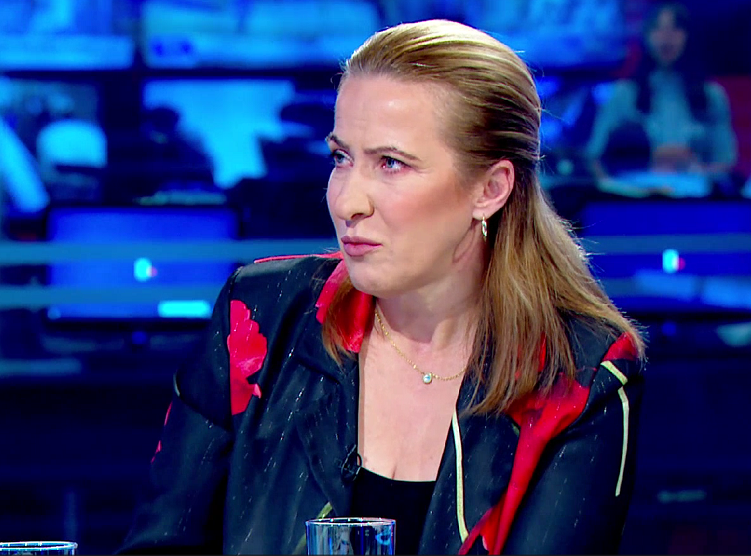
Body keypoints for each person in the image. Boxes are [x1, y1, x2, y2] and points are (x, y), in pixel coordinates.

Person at [119, 19, 645, 555]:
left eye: (391, 164)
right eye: (341, 158)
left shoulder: (580, 374)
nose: (348, 201)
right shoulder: (260, 319)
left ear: (489, 189)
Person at [586, 1, 738, 198]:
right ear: (646, 36)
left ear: (689, 35)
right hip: (637, 200)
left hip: (695, 200)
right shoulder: (623, 94)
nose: (666, 37)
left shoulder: (712, 96)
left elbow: (726, 162)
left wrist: (694, 167)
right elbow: (596, 157)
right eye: (658, 28)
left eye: (675, 29)